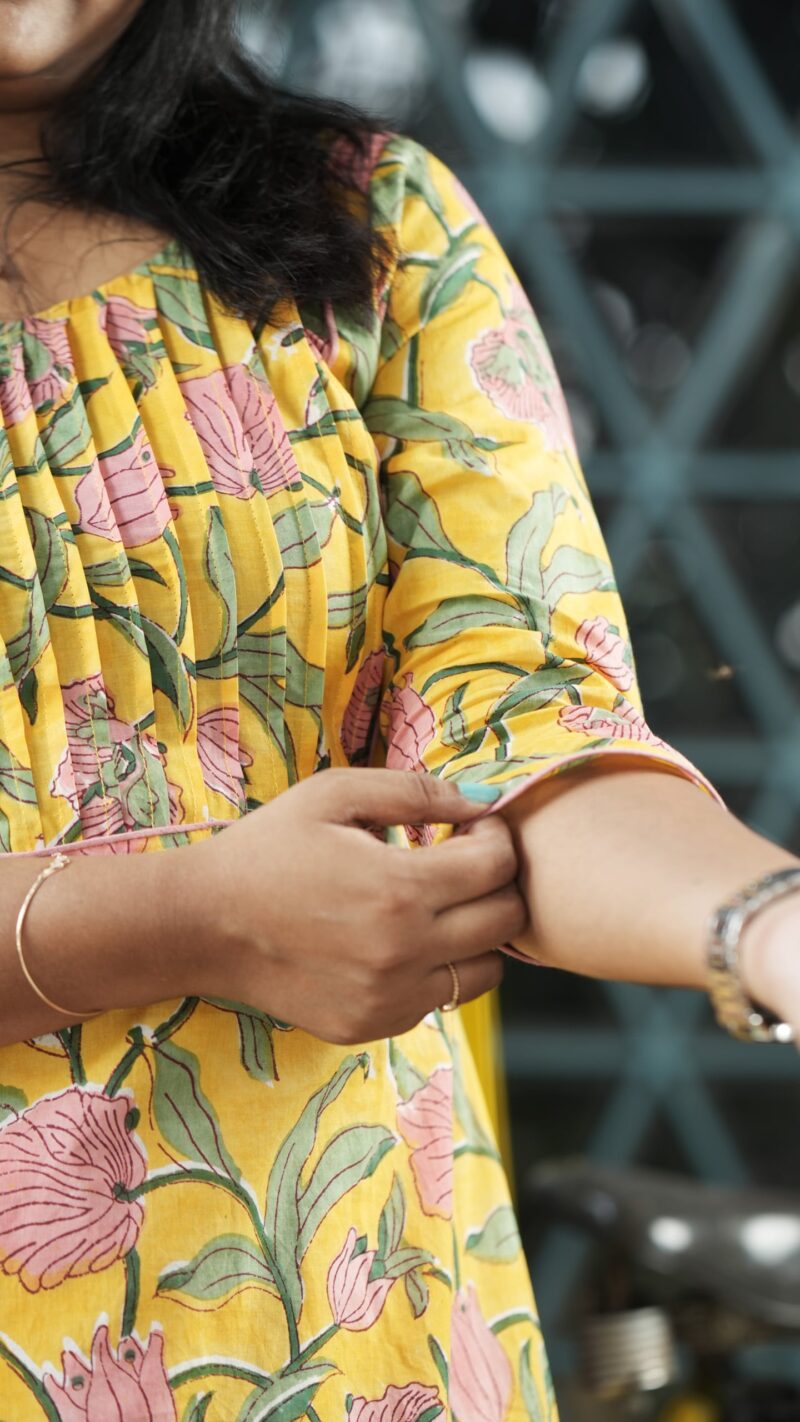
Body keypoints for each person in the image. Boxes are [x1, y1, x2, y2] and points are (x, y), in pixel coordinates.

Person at [0, 1, 798, 1417]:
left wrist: (769, 928)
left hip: (364, 1331)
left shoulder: (361, 226)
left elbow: (530, 729)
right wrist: (192, 913)